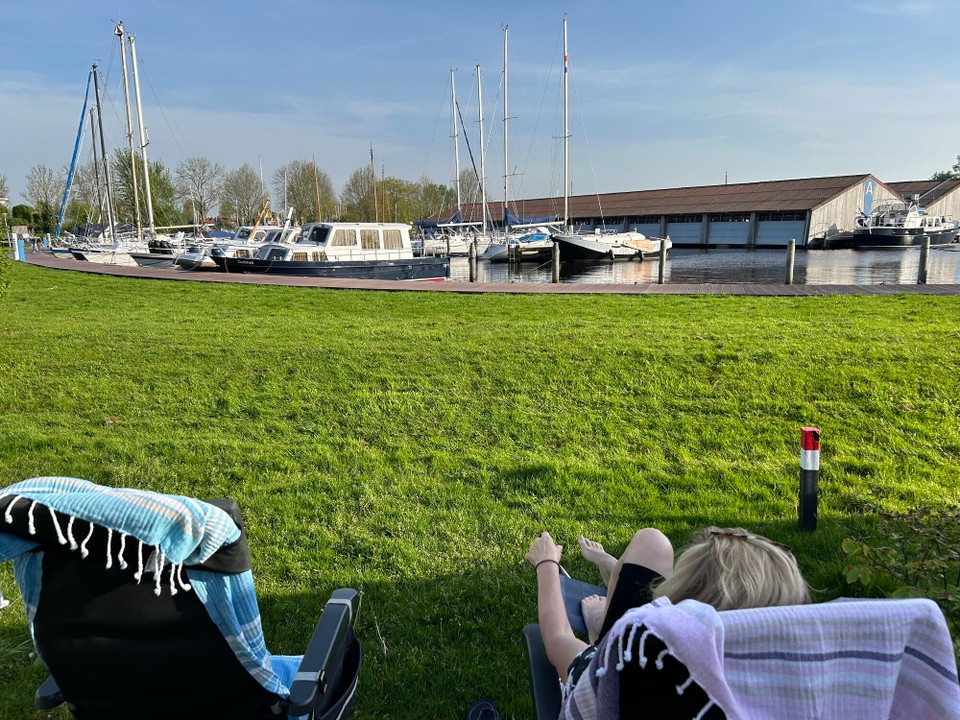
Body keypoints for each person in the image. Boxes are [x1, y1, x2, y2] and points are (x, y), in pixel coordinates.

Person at [524, 526, 810, 694]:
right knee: (652, 542)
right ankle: (615, 577)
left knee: (649, 543)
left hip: (610, 658)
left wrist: (546, 562)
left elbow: (558, 639)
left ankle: (600, 628)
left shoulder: (620, 674)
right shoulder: (783, 691)